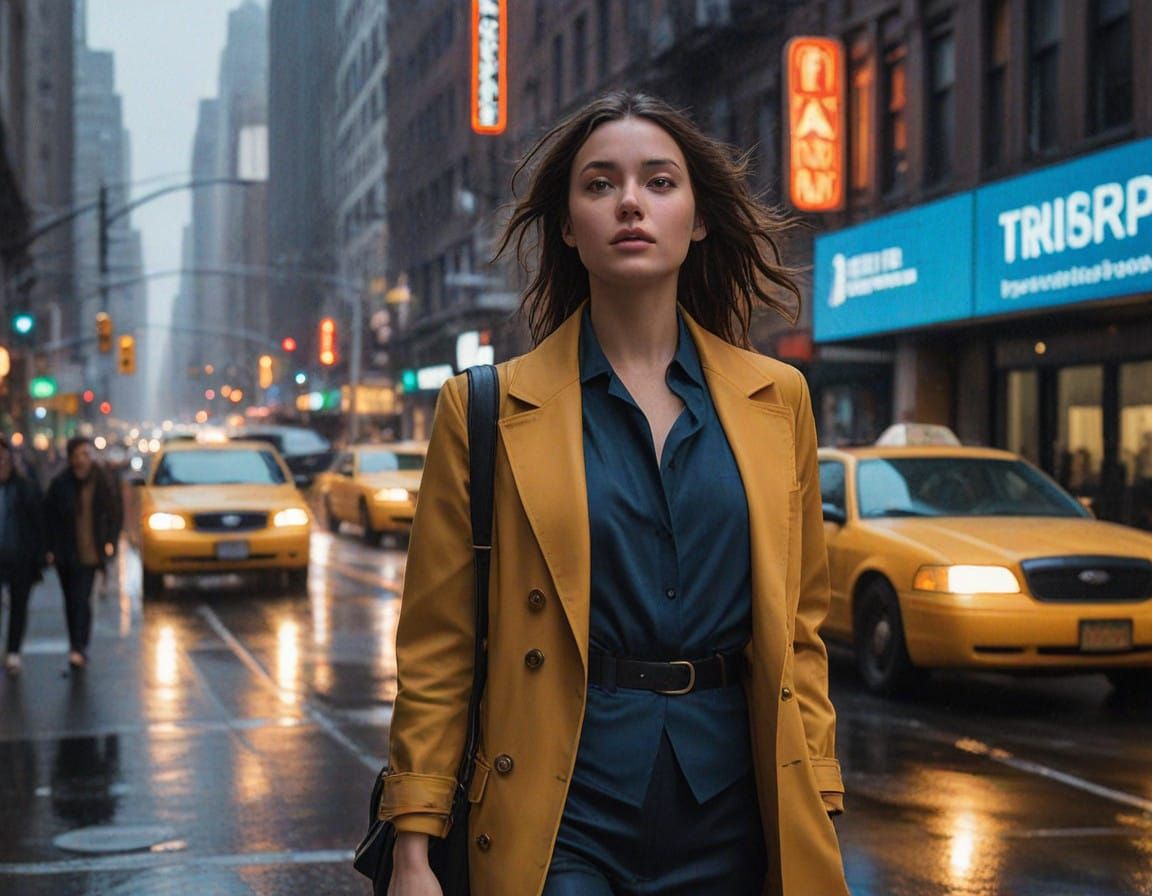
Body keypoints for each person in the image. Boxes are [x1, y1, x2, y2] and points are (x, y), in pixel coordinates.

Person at [379, 91, 848, 896]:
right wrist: (413, 844)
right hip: (563, 810)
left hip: (737, 808)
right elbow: (438, 647)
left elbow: (799, 630)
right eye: (600, 184)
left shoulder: (778, 400)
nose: (631, 202)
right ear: (568, 225)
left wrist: (821, 793)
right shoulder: (485, 408)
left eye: (659, 182)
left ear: (698, 219)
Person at [42, 437, 118, 669]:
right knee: (71, 600)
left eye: (86, 454)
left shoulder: (102, 481)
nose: (82, 460)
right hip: (66, 553)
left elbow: (114, 512)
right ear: (70, 459)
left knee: (82, 598)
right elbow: (48, 518)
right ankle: (75, 643)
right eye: (77, 455)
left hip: (91, 552)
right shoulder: (60, 484)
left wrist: (110, 541)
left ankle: (79, 645)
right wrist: (50, 548)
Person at [0, 435, 48, 675]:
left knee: (19, 606)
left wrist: (41, 554)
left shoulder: (26, 487)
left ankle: (13, 651)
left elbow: (39, 522)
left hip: (20, 555)